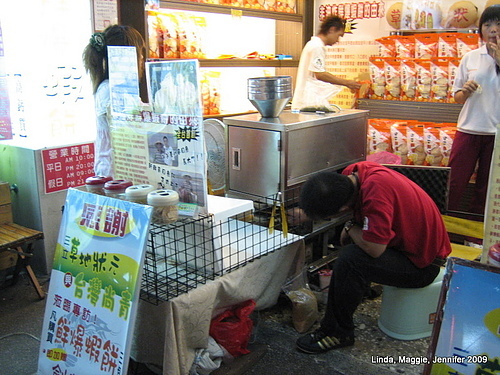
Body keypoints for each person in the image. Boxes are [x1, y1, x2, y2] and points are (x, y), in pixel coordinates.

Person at [296, 161, 451, 353]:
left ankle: (336, 332)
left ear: (342, 208)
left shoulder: (376, 196)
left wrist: (350, 227)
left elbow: (375, 249)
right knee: (351, 244)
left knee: (350, 259)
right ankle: (361, 291)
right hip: (406, 248)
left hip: (423, 266)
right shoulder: (354, 174)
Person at [447, 5, 500, 217]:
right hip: (468, 130)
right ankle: (444, 227)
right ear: (481, 30)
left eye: (498, 24)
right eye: (487, 24)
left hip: (496, 135)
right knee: (454, 182)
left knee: (486, 189)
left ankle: (475, 237)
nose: (493, 29)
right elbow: (457, 96)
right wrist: (466, 91)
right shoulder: (470, 57)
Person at [82, 25, 146, 177]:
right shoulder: (112, 90)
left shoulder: (112, 88)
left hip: (115, 172)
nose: (142, 58)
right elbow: (131, 131)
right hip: (115, 175)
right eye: (139, 53)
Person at [291, 15, 361, 112]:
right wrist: (347, 82)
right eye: (339, 35)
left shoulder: (314, 45)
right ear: (331, 30)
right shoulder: (316, 46)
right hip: (307, 104)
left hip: (308, 102)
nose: (337, 40)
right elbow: (320, 74)